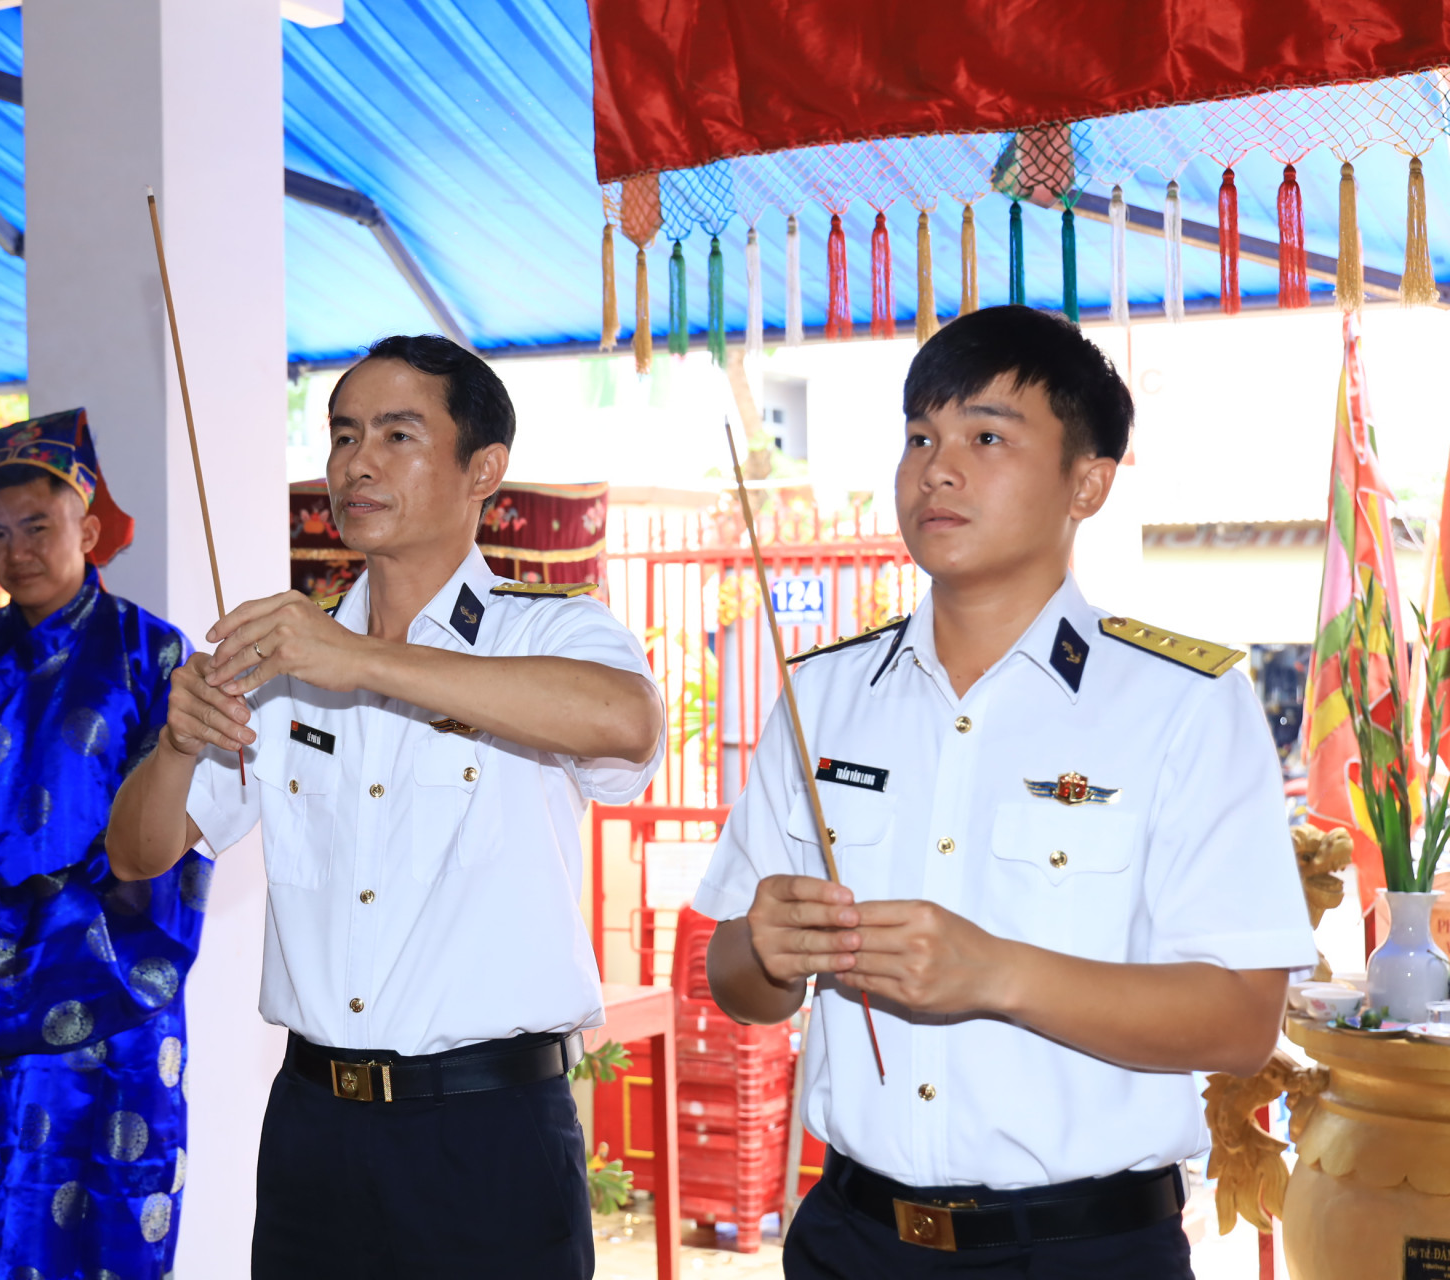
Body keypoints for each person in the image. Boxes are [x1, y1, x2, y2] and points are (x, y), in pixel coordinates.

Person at [695, 306, 1314, 1278]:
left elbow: (1241, 1021)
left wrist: (998, 973)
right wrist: (765, 950)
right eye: (919, 437)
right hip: (848, 1238)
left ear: (1089, 480)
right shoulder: (820, 696)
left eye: (986, 436)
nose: (937, 468)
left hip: (1081, 1248)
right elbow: (740, 982)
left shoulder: (1182, 703)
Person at [105, 334, 667, 1280]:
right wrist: (175, 743)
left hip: (489, 1135)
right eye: (341, 434)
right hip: (316, 1133)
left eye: (398, 435)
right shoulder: (284, 656)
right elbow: (137, 852)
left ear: (483, 468)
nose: (356, 462)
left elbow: (626, 723)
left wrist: (359, 660)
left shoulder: (549, 630)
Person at [0, 409, 205, 1280]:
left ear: (88, 528)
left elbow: (165, 842)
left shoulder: (155, 660)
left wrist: (26, 927)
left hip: (113, 1011)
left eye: (36, 526)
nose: (14, 550)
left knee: (112, 1217)